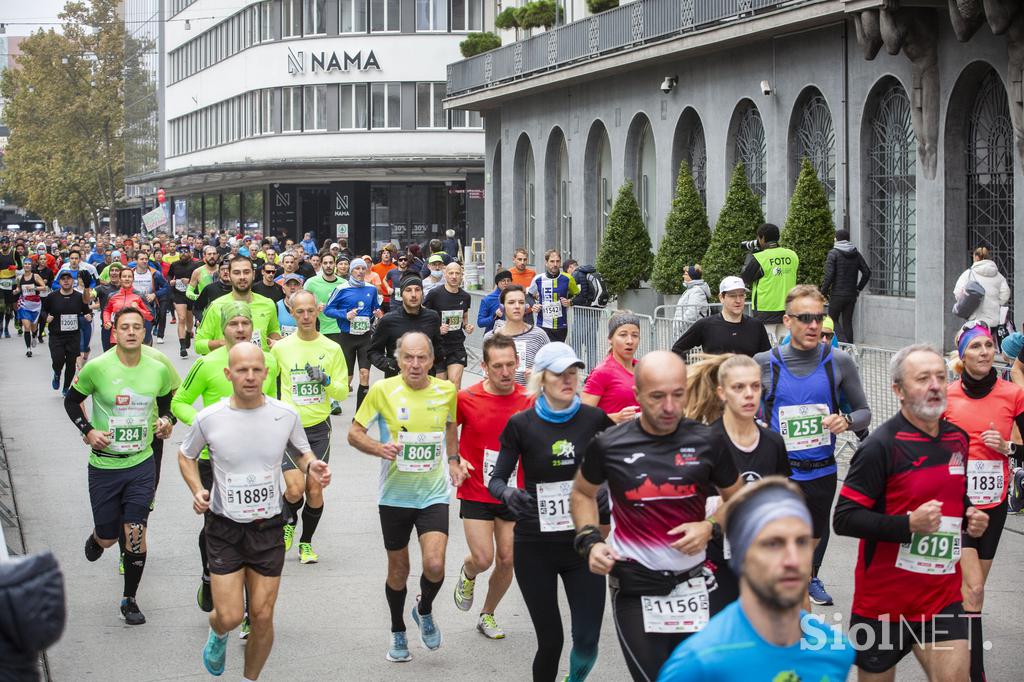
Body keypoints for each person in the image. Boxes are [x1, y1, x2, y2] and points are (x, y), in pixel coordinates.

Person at [571, 350, 743, 681]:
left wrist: (709, 527)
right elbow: (582, 493)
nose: (668, 407)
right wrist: (590, 540)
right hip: (635, 587)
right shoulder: (609, 445)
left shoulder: (707, 441)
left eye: (678, 395)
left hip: (694, 585)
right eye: (657, 397)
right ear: (637, 395)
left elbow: (736, 496)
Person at [834, 344, 989, 682]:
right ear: (898, 391)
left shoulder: (958, 440)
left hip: (941, 598)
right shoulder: (879, 446)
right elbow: (844, 518)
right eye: (922, 378)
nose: (935, 385)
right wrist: (908, 525)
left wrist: (969, 515)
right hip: (883, 603)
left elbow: (953, 498)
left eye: (940, 376)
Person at [179, 343, 331, 679]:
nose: (249, 376)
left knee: (262, 616)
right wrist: (197, 489)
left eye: (256, 370)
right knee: (230, 616)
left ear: (266, 372)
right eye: (242, 370)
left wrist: (313, 466)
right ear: (228, 374)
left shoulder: (284, 415)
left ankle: (251, 678)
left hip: (268, 527)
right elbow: (185, 455)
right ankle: (217, 631)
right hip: (225, 528)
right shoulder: (209, 418)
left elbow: (303, 452)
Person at [488, 342, 613, 681]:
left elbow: (622, 466)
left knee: (587, 640)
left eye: (573, 372)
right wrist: (507, 493)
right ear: (541, 378)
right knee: (551, 640)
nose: (568, 379)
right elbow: (496, 479)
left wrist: (605, 496)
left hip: (583, 545)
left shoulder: (595, 419)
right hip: (535, 546)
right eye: (560, 373)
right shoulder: (521, 424)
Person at [658, 477, 854, 681]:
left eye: (802, 542)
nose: (793, 560)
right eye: (773, 544)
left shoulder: (835, 651)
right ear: (741, 555)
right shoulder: (698, 662)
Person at [348, 331, 464, 663]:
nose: (415, 364)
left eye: (422, 357)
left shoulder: (446, 391)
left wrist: (453, 461)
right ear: (398, 359)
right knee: (399, 570)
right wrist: (378, 447)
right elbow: (354, 433)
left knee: (436, 564)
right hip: (395, 496)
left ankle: (424, 610)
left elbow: (451, 429)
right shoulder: (383, 390)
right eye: (408, 358)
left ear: (432, 360)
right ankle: (398, 630)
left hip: (433, 492)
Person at [754, 284, 870, 607]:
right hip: (780, 478)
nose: (814, 325)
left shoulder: (839, 362)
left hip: (821, 475)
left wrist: (845, 422)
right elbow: (743, 412)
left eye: (819, 318)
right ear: (787, 321)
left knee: (803, 565)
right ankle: (794, 638)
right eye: (805, 318)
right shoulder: (764, 362)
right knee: (791, 566)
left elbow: (864, 413)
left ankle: (791, 625)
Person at [64, 307, 175, 625]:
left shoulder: (157, 369)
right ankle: (99, 537)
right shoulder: (96, 368)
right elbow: (72, 401)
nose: (130, 332)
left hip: (142, 463)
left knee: (135, 532)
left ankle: (130, 599)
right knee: (110, 537)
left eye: (136, 327)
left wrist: (166, 421)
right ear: (114, 331)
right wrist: (88, 431)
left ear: (144, 331)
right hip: (104, 465)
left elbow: (169, 403)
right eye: (124, 326)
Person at [171, 302, 283, 618]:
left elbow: (273, 402)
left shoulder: (268, 362)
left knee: (254, 527)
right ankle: (210, 575)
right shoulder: (208, 363)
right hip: (213, 461)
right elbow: (179, 402)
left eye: (244, 324)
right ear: (224, 329)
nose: (239, 329)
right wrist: (207, 428)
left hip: (256, 459)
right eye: (233, 323)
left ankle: (250, 610)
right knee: (217, 526)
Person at [942, 321, 1024, 681]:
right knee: (970, 587)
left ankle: (957, 652)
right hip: (955, 504)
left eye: (989, 345)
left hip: (991, 505)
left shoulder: (1013, 394)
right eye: (975, 346)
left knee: (975, 591)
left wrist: (1007, 448)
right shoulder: (946, 396)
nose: (985, 352)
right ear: (962, 356)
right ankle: (973, 672)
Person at [683, 353, 791, 607]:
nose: (749, 394)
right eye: (739, 387)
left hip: (762, 561)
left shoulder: (773, 443)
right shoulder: (704, 443)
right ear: (722, 393)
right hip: (714, 562)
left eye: (755, 386)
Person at [450, 335, 532, 639]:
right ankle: (469, 572)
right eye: (498, 366)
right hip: (476, 488)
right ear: (484, 366)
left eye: (511, 364)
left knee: (508, 558)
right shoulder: (467, 398)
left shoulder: (529, 400)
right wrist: (454, 460)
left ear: (518, 362)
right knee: (483, 558)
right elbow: (448, 429)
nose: (506, 371)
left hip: (513, 491)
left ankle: (488, 614)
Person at [271, 290, 350, 564]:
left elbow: (341, 393)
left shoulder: (331, 348)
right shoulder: (281, 348)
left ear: (318, 311)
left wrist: (326, 380)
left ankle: (306, 543)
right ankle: (288, 520)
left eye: (310, 311)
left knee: (314, 490)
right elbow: (269, 385)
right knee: (294, 489)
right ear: (292, 314)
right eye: (299, 312)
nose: (305, 316)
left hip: (318, 429)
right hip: (290, 429)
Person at [323, 257, 382, 410]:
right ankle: (333, 401)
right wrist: (345, 314)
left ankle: (360, 412)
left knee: (364, 374)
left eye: (363, 268)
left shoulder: (371, 289)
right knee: (346, 378)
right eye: (357, 268)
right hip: (347, 337)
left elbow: (375, 308)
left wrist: (378, 314)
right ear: (351, 271)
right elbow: (327, 310)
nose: (360, 271)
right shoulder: (342, 289)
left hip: (365, 337)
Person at [195, 255, 281, 354]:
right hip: (228, 366)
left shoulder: (268, 304)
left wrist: (278, 342)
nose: (242, 277)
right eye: (236, 273)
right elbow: (199, 345)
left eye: (246, 272)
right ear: (229, 276)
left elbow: (274, 331)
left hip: (260, 366)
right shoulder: (216, 306)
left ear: (253, 274)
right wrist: (225, 343)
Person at [671, 276, 770, 358]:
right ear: (721, 298)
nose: (738, 300)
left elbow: (768, 359)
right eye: (732, 296)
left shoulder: (756, 326)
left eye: (741, 295)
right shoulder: (706, 325)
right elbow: (677, 349)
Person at [368, 275, 445, 379]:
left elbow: (437, 349)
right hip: (396, 383)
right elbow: (373, 352)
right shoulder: (388, 320)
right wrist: (391, 365)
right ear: (401, 294)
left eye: (417, 290)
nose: (413, 295)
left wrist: (432, 365)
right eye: (408, 290)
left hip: (425, 382)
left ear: (422, 293)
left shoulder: (433, 317)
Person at [740, 223, 799, 341]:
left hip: (766, 310)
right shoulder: (792, 255)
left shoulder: (760, 258)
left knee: (768, 347)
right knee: (785, 347)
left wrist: (752, 254)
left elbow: (745, 278)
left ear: (762, 238)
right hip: (788, 308)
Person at [484, 284, 550, 386]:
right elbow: (485, 375)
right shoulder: (490, 337)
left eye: (521, 302)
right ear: (502, 306)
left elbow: (551, 370)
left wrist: (537, 377)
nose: (517, 306)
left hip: (528, 398)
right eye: (511, 302)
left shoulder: (539, 335)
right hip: (499, 398)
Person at [581, 312, 641, 423]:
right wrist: (615, 418)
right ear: (610, 339)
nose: (630, 341)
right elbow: (582, 419)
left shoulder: (643, 369)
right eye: (623, 335)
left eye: (635, 335)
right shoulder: (601, 372)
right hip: (612, 437)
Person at [424, 261, 474, 389]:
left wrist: (466, 326)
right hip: (438, 346)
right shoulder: (434, 294)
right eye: (451, 273)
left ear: (462, 276)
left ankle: (455, 409)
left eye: (457, 273)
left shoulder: (465, 296)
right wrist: (437, 329)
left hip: (457, 345)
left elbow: (464, 317)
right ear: (445, 274)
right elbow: (423, 317)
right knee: (440, 386)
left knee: (454, 384)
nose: (454, 276)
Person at [44, 270, 93, 394]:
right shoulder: (52, 296)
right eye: (63, 279)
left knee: (71, 363)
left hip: (73, 336)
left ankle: (66, 388)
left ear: (73, 281)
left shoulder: (78, 296)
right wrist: (46, 317)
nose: (66, 281)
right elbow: (43, 311)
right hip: (56, 335)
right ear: (59, 282)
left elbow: (86, 310)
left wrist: (88, 316)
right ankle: (57, 372)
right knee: (58, 360)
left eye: (68, 278)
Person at [820, 229, 871, 344]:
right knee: (847, 322)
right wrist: (858, 288)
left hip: (837, 294)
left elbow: (829, 275)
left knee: (832, 319)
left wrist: (822, 292)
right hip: (851, 294)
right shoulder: (856, 253)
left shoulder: (833, 253)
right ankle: (849, 348)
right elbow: (867, 272)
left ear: (836, 239)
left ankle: (842, 343)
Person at [528, 249, 579, 343]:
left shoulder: (568, 278)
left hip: (561, 325)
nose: (555, 264)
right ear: (546, 263)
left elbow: (578, 295)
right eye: (552, 261)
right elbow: (528, 295)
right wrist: (533, 305)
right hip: (542, 325)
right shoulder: (538, 279)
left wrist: (570, 302)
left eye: (557, 261)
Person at [952, 246, 1010, 328]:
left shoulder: (968, 274)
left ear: (976, 257)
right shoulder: (999, 277)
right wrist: (995, 303)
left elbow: (957, 293)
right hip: (993, 321)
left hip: (974, 321)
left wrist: (968, 302)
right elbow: (1005, 295)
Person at [103, 268, 155, 349]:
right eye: (124, 276)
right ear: (120, 279)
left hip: (134, 336)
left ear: (133, 279)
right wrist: (107, 321)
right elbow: (107, 310)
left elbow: (150, 316)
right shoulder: (112, 296)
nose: (127, 279)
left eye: (129, 277)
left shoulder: (139, 296)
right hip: (117, 337)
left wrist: (138, 308)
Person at [167, 245, 197, 358]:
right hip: (178, 294)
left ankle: (188, 333)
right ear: (179, 254)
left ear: (190, 253)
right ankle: (182, 346)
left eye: (186, 251)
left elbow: (198, 280)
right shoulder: (174, 265)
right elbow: (169, 275)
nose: (183, 253)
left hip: (190, 294)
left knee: (189, 319)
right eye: (181, 252)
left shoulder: (194, 265)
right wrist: (171, 281)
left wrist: (189, 281)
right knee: (182, 318)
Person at [14, 264, 47, 357]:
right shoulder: (20, 277)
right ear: (23, 266)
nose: (27, 266)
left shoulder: (35, 276)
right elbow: (19, 288)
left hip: (35, 304)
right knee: (27, 326)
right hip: (24, 304)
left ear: (31, 266)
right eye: (25, 264)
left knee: (33, 327)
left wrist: (34, 288)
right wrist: (16, 291)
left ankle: (34, 336)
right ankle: (28, 349)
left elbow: (44, 287)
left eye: (29, 264)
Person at [193, 258, 232, 324]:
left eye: (228, 269)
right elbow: (196, 308)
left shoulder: (239, 288)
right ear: (219, 272)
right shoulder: (210, 288)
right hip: (213, 324)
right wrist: (202, 319)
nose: (225, 272)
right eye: (222, 269)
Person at [477, 269, 512, 334]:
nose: (506, 283)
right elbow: (480, 322)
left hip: (511, 335)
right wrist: (494, 316)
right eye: (503, 281)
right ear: (497, 282)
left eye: (508, 280)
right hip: (493, 337)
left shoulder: (515, 297)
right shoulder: (488, 299)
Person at [0, 237, 21, 337]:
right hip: (0, 283)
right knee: (1, 307)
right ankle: (0, 328)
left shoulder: (14, 253)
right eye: (2, 243)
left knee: (8, 308)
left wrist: (15, 267)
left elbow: (20, 266)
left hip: (11, 283)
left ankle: (6, 328)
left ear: (9, 244)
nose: (4, 244)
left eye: (6, 243)